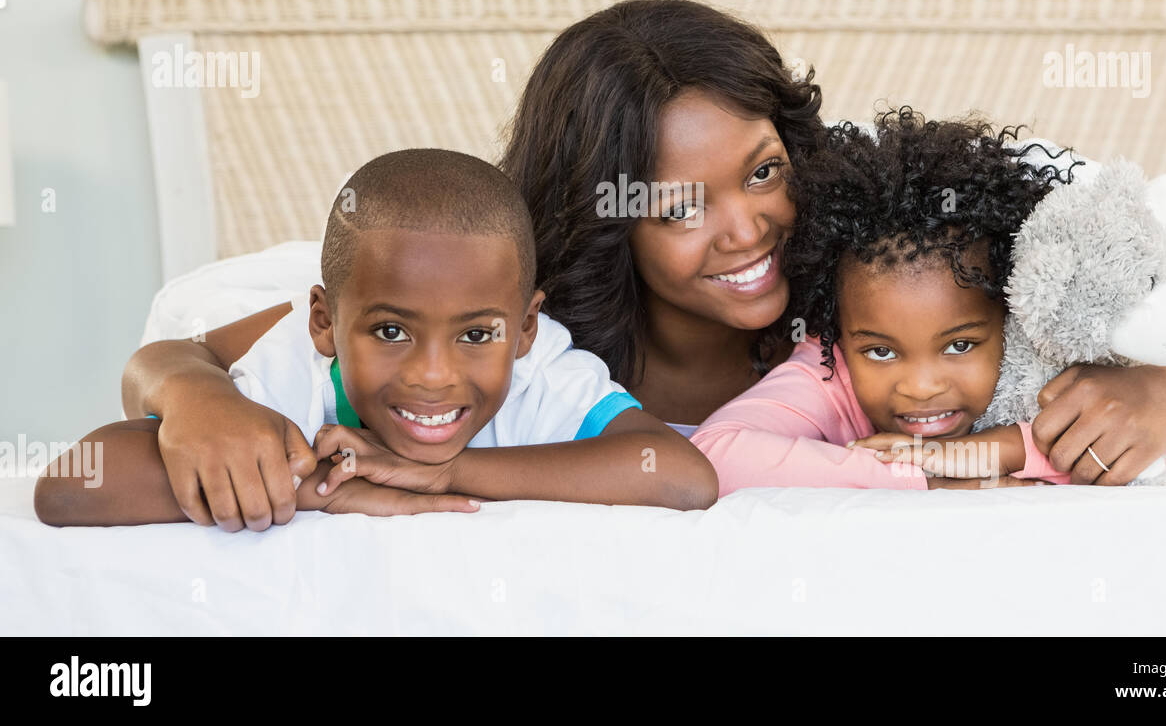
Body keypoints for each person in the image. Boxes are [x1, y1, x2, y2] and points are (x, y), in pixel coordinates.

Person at [121, 0, 1166, 529]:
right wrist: (189, 396)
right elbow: (196, 332)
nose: (747, 227)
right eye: (678, 204)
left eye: (760, 171)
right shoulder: (517, 336)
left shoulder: (875, 280)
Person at [35, 150, 718, 527]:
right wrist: (305, 480)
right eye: (392, 330)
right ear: (325, 324)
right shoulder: (292, 367)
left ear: (526, 328)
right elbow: (69, 487)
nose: (432, 375)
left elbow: (682, 475)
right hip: (262, 314)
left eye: (476, 334)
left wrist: (442, 473)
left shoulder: (541, 371)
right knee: (190, 335)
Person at [691, 111, 1166, 493]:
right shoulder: (827, 366)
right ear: (837, 326)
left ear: (1011, 314)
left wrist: (999, 452)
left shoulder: (1043, 363)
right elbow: (716, 452)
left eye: (959, 344)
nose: (921, 385)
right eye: (881, 352)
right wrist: (927, 476)